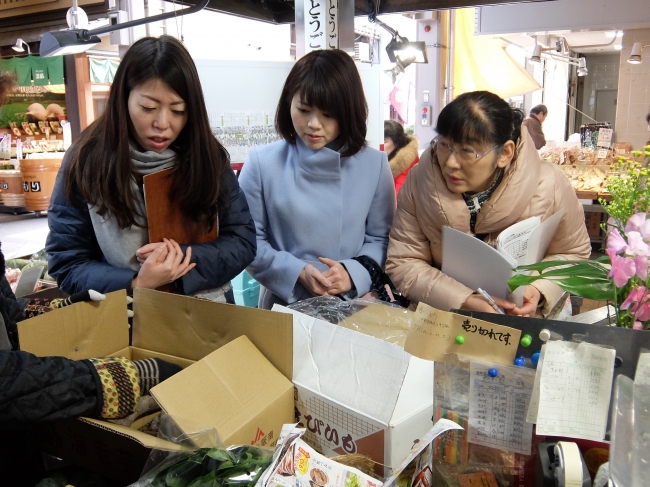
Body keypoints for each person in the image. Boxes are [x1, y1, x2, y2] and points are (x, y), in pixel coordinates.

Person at [46, 36, 256, 303]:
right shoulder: (85, 161)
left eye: (178, 111)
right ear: (124, 99)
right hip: (124, 319)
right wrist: (135, 282)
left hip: (207, 314)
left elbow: (242, 240)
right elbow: (67, 261)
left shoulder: (207, 157)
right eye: (148, 108)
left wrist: (180, 260)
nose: (162, 123)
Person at [385, 91, 590, 317]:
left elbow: (573, 253)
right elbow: (404, 260)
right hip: (444, 318)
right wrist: (462, 300)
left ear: (505, 153)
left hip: (526, 319)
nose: (451, 163)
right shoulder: (419, 182)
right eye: (444, 145)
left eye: (467, 151)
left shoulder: (550, 185)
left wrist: (538, 289)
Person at [239, 49, 395, 310]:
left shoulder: (374, 165)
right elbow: (248, 242)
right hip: (285, 304)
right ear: (288, 102)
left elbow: (383, 239)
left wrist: (352, 272)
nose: (313, 124)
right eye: (303, 109)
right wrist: (296, 271)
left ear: (349, 114)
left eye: (329, 115)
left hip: (356, 304)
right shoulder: (261, 163)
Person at [384, 120, 419, 197]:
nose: (380, 145)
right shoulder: (386, 160)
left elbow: (397, 203)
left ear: (396, 143)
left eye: (384, 141)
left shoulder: (407, 168)